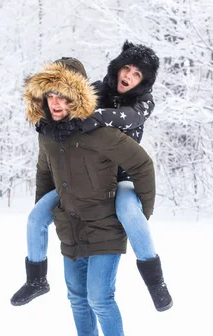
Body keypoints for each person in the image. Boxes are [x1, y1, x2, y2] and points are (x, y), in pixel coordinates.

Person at [21, 56, 157, 336]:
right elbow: (44, 174)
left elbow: (142, 166)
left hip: (106, 225)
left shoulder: (99, 130)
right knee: (77, 298)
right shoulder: (48, 134)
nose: (55, 102)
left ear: (76, 96)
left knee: (100, 297)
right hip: (72, 224)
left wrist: (140, 216)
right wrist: (50, 214)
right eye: (49, 94)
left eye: (62, 95)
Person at [11, 41, 172, 313]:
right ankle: (36, 279)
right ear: (118, 67)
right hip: (84, 177)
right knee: (36, 216)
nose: (129, 77)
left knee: (131, 215)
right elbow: (69, 104)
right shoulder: (97, 89)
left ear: (144, 82)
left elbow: (129, 117)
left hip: (123, 177)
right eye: (127, 69)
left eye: (137, 75)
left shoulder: (144, 102)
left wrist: (96, 117)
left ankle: (155, 282)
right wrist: (46, 121)